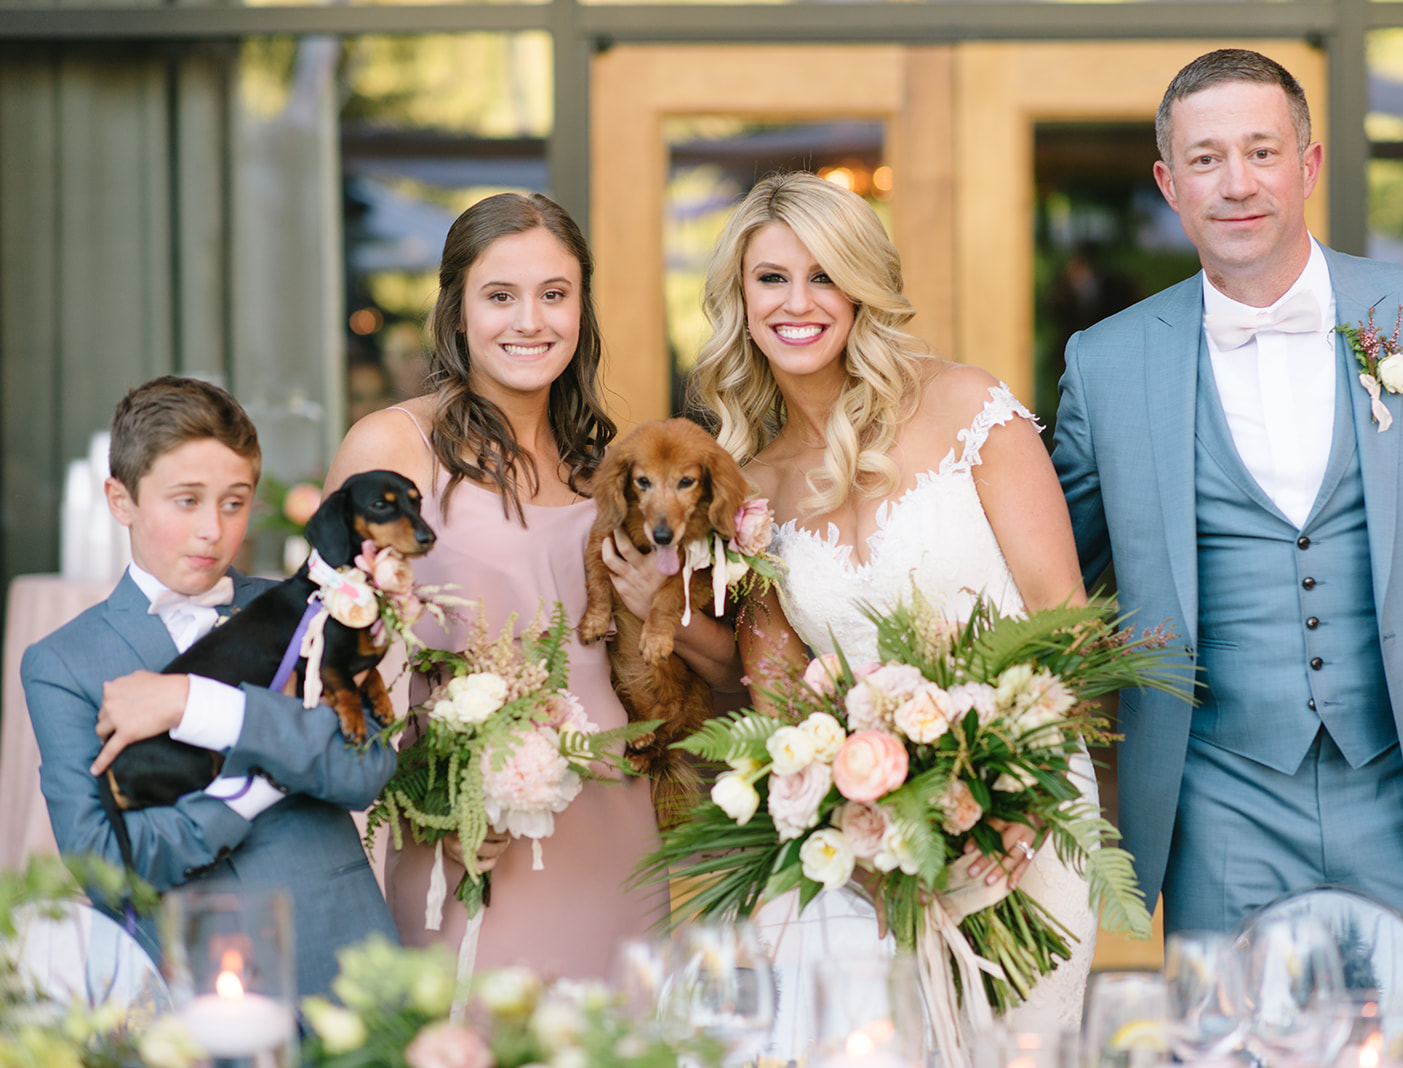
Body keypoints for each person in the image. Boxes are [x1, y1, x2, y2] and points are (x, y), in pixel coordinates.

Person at [1050, 48, 1403, 991]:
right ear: (1168, 183)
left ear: (1306, 166)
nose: (1236, 183)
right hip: (1217, 800)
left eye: (1261, 152)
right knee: (1231, 1052)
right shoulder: (1106, 364)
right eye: (1206, 158)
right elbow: (1045, 576)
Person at [690, 171, 1100, 1051]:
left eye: (824, 275)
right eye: (771, 279)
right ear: (741, 298)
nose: (798, 303)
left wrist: (1014, 797)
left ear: (861, 288)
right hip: (866, 845)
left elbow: (1062, 615)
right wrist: (853, 823)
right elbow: (780, 700)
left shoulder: (968, 409)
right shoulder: (749, 487)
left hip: (1022, 817)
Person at [324, 192, 737, 978]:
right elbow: (321, 667)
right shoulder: (394, 448)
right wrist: (431, 799)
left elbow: (727, 672)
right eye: (500, 296)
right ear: (456, 311)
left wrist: (662, 614)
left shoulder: (617, 466)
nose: (530, 321)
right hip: (472, 846)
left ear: (582, 307)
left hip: (619, 836)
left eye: (555, 294)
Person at [22, 375, 399, 999]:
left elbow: (363, 770)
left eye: (234, 501)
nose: (213, 530)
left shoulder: (305, 608)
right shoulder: (63, 662)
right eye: (186, 500)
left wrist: (208, 710)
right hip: (186, 982)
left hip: (343, 956)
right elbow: (106, 866)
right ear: (122, 501)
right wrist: (247, 793)